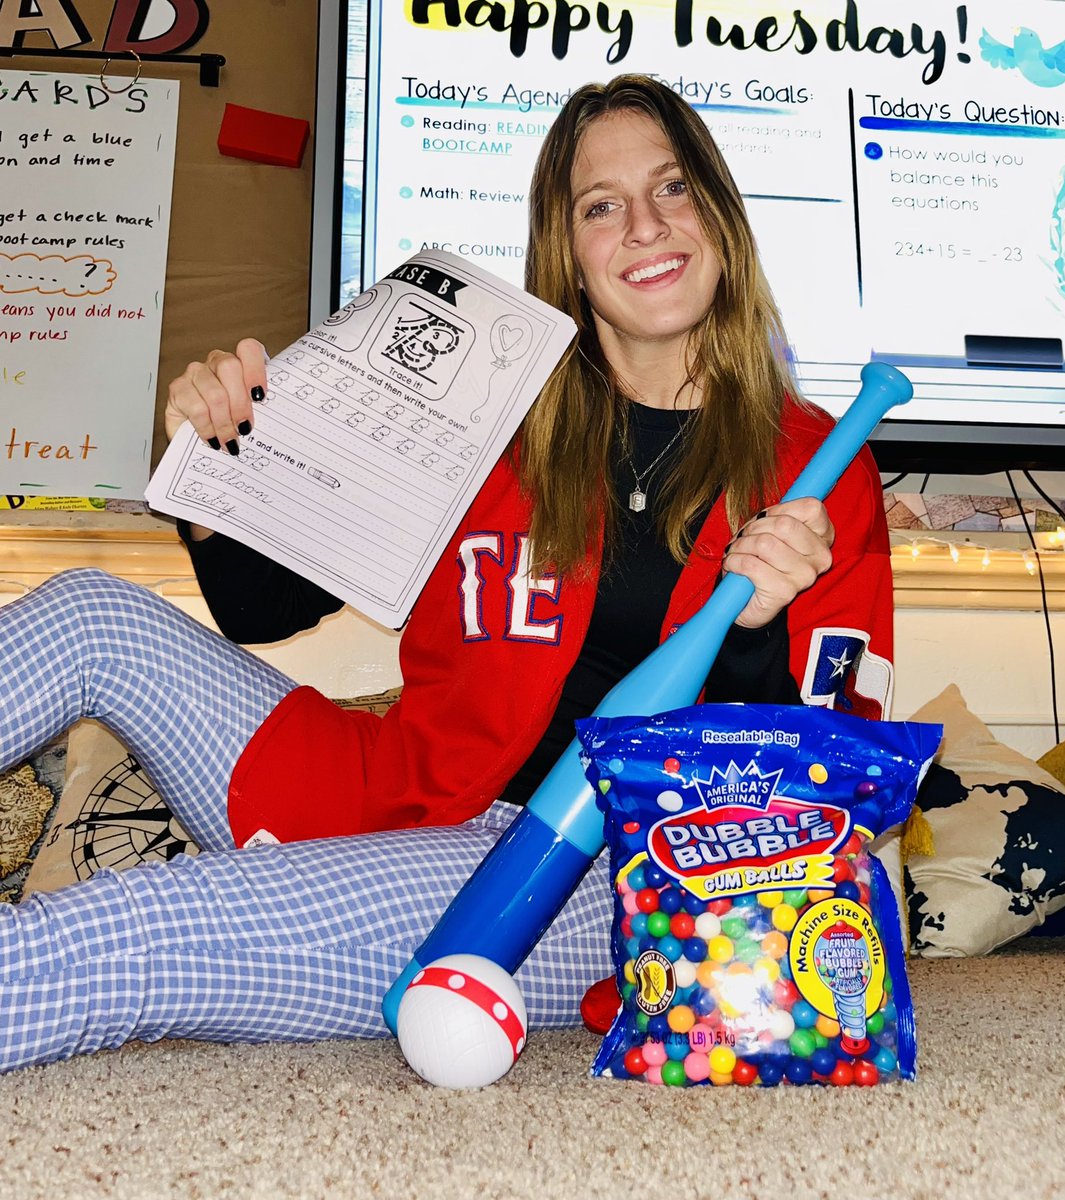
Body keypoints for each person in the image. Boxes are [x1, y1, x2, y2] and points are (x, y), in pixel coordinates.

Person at [0, 74, 892, 1075]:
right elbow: (265, 609)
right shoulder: (485, 414)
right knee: (90, 615)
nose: (643, 225)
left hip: (588, 884)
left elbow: (831, 791)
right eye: (600, 205)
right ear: (567, 252)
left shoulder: (816, 465)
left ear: (720, 217)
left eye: (672, 188)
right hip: (396, 790)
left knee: (122, 935)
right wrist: (219, 460)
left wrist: (755, 632)